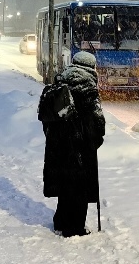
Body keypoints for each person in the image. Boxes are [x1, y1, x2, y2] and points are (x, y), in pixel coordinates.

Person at [38, 51, 106, 237]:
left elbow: (47, 120)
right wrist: (92, 141)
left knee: (65, 185)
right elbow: (97, 124)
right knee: (79, 189)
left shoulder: (59, 84)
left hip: (58, 148)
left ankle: (60, 221)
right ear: (91, 68)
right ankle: (74, 228)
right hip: (79, 149)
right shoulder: (88, 89)